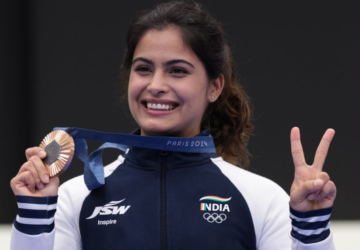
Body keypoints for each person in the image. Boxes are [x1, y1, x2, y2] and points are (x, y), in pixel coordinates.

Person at [10, 1, 337, 249]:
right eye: (143, 69)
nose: (156, 85)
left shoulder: (261, 198)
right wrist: (35, 214)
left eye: (177, 70)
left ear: (214, 86)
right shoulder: (76, 196)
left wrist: (311, 227)